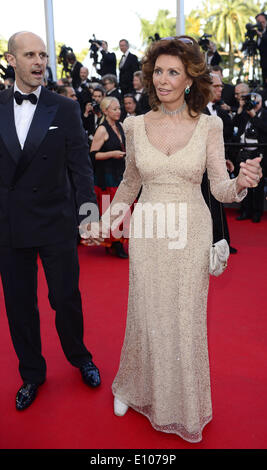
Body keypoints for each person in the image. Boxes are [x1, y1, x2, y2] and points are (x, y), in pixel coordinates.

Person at [83, 36, 262, 442]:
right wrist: (102, 222)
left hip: (190, 232)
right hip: (149, 230)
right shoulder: (134, 124)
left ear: (188, 79)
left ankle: (183, 404)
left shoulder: (209, 125)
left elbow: (219, 187)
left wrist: (242, 184)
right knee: (145, 314)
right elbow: (129, 187)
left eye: (173, 73)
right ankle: (131, 386)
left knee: (184, 320)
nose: (163, 80)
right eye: (158, 71)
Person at [0, 31, 102, 411]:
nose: (39, 62)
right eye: (30, 55)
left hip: (56, 220)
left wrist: (89, 215)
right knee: (19, 305)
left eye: (43, 54)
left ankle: (80, 357)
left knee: (66, 299)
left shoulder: (64, 107)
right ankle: (32, 374)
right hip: (10, 225)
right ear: (11, 60)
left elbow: (81, 167)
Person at [201, 73, 237, 253]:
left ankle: (223, 243)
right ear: (205, 87)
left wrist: (223, 160)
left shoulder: (219, 111)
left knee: (217, 205)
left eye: (221, 86)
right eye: (216, 86)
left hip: (215, 165)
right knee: (208, 206)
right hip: (201, 169)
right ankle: (212, 244)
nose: (220, 89)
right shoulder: (197, 111)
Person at [88, 97, 128, 258]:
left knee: (121, 210)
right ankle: (115, 243)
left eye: (119, 108)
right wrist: (112, 154)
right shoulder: (102, 129)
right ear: (105, 111)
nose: (118, 111)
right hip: (107, 176)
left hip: (120, 173)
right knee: (112, 209)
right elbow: (92, 155)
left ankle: (115, 242)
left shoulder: (121, 126)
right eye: (114, 109)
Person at [232, 92, 267, 222]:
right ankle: (245, 210)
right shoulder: (245, 114)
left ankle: (257, 212)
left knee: (257, 184)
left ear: (260, 102)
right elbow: (234, 123)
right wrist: (241, 109)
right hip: (245, 152)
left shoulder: (265, 114)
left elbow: (265, 129)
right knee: (244, 182)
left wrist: (254, 117)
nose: (252, 105)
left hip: (259, 154)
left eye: (255, 102)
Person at [255, 12, 267, 86]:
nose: (261, 24)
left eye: (262, 22)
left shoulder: (262, 34)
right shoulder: (259, 32)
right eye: (258, 22)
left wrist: (261, 35)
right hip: (264, 65)